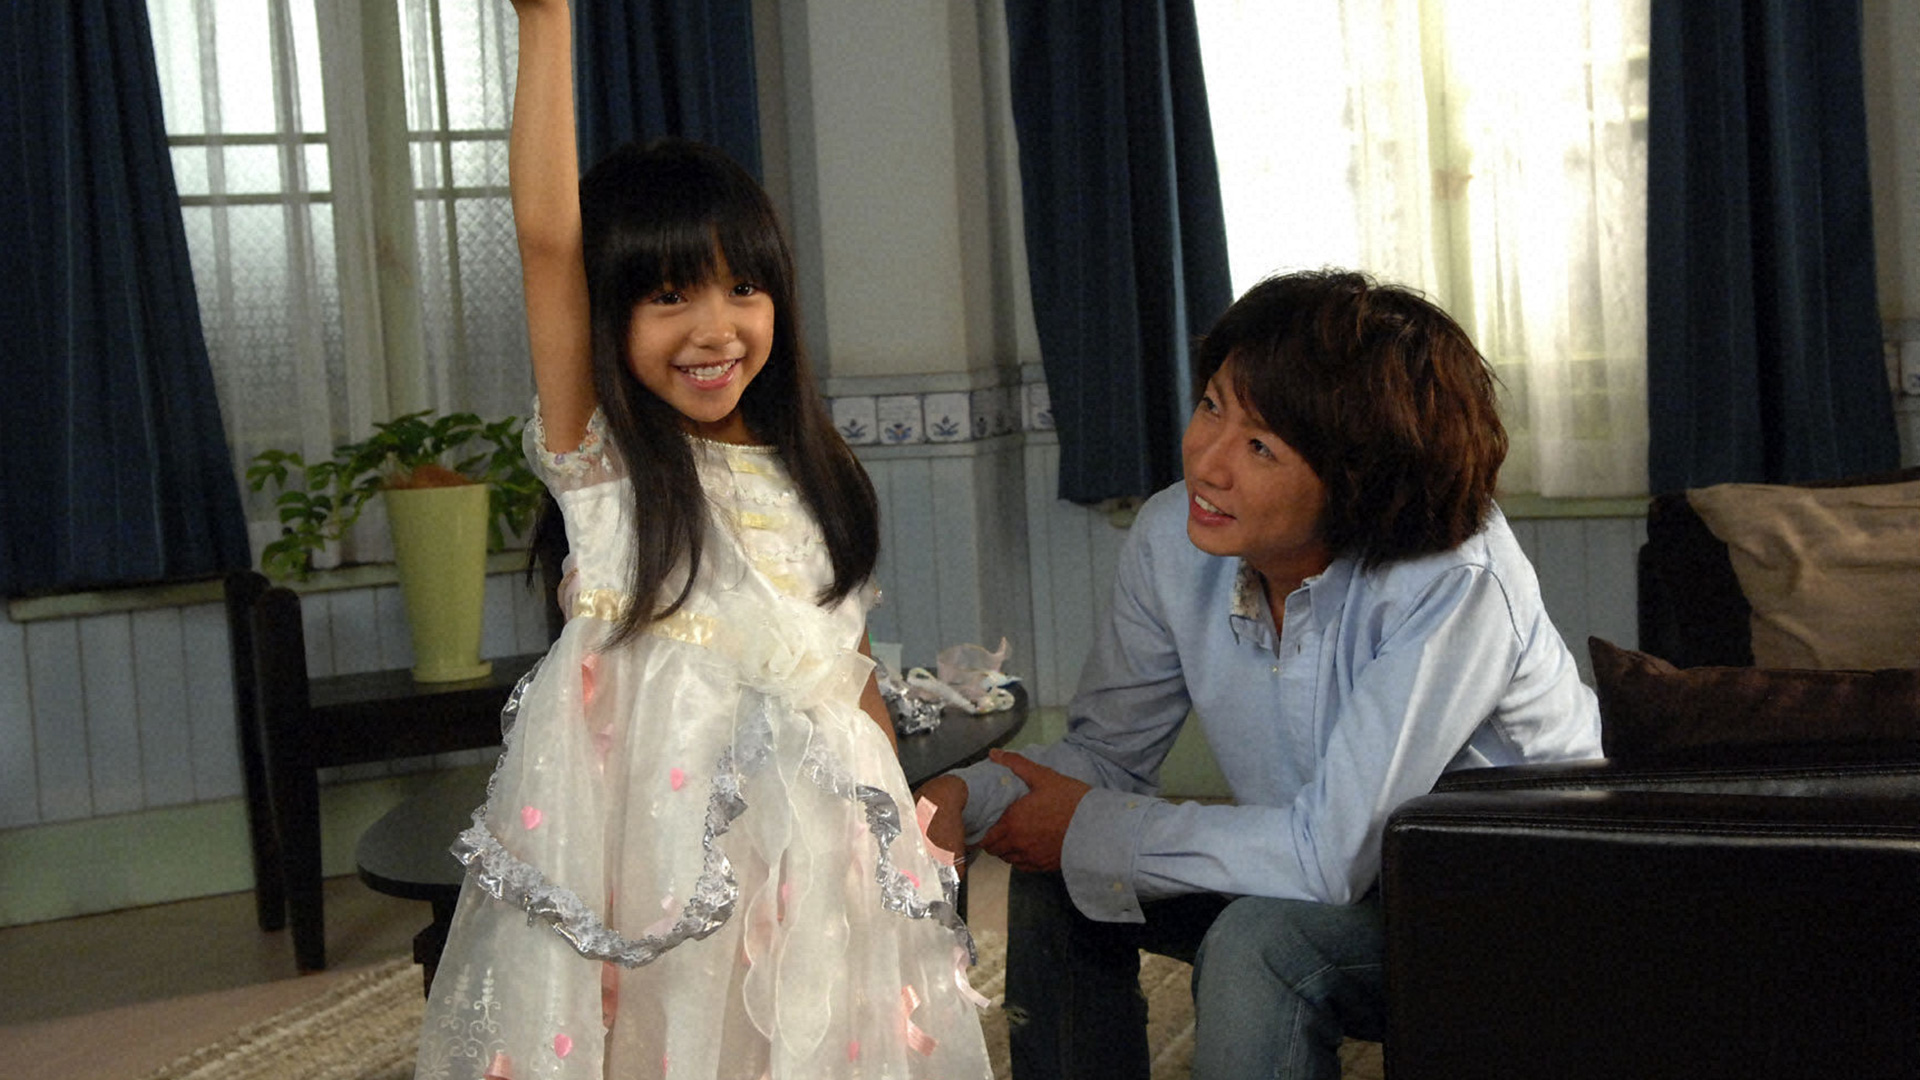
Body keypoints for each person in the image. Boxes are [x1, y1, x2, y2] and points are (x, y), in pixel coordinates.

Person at [411, 3, 990, 1077]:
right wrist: (547, 23)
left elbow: (847, 665)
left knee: (807, 1038)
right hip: (656, 846)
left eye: (744, 287)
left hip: (818, 843)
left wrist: (896, 832)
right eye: (670, 296)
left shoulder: (806, 469)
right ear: (607, 316)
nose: (715, 328)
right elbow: (548, 241)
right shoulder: (605, 461)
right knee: (678, 1035)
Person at [917, 269, 1603, 1080]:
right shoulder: (1174, 537)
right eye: (1212, 406)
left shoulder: (1452, 578)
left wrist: (1090, 828)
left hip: (1510, 914)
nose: (1207, 464)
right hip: (1321, 867)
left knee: (1256, 943)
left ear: (1356, 479)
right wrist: (971, 795)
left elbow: (1330, 858)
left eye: (1261, 447)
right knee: (1060, 864)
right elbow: (1104, 757)